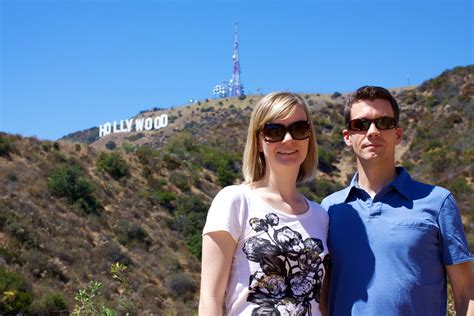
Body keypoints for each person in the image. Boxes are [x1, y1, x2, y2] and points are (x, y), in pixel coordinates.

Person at [321, 85, 474, 315]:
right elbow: (321, 294)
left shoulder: (438, 202)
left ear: (398, 134)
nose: (373, 131)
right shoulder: (329, 209)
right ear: (347, 136)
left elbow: (466, 294)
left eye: (384, 123)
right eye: (360, 125)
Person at [199, 92, 330, 315]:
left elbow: (322, 304)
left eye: (299, 129)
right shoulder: (235, 201)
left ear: (309, 137)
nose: (288, 139)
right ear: (259, 141)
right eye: (274, 131)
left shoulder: (321, 216)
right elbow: (210, 298)